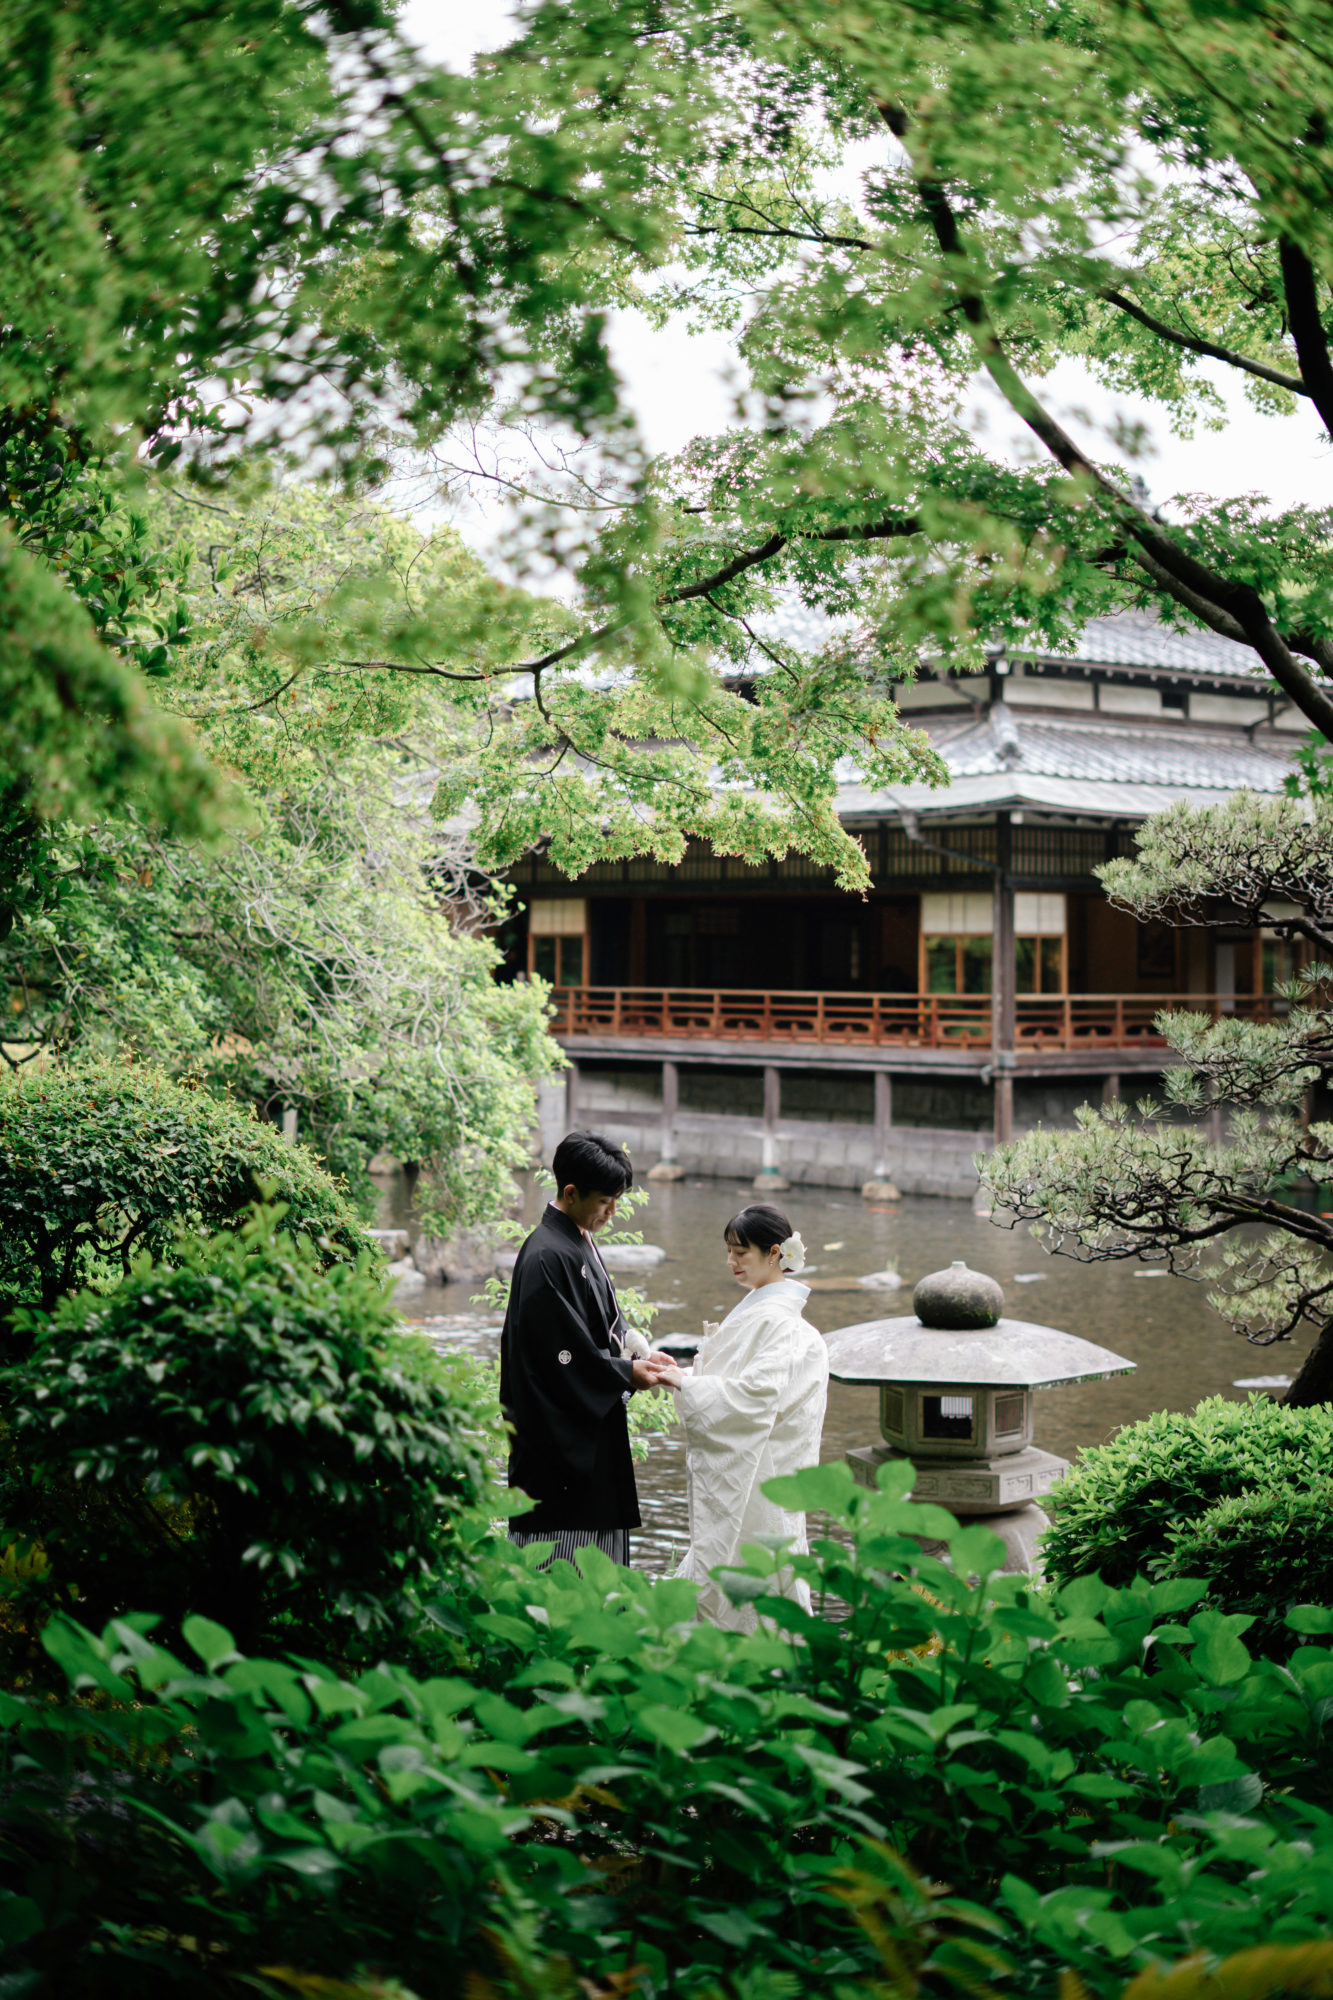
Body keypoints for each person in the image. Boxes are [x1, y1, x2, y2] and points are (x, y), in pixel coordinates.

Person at [654, 1203, 829, 1630]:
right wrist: (684, 1375)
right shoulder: (768, 1314)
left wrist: (686, 1384)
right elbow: (739, 1383)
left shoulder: (779, 1323)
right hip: (758, 1463)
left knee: (753, 1569)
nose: (731, 1262)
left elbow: (756, 1395)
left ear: (774, 1253)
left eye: (741, 1253)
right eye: (729, 1252)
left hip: (760, 1470)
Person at [500, 1130, 669, 1567]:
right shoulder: (544, 1255)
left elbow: (601, 1324)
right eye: (605, 1202)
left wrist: (635, 1354)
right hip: (556, 1446)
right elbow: (560, 1357)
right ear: (571, 1192)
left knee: (596, 1566)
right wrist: (624, 1373)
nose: (612, 1212)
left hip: (586, 1434)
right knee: (562, 1572)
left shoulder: (575, 1238)